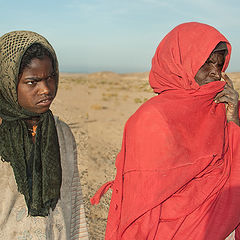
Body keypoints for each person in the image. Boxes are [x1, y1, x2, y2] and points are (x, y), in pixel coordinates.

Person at [91, 22, 240, 239]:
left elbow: (232, 177)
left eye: (219, 66)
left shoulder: (222, 111)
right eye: (206, 63)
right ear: (180, 62)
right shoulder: (152, 118)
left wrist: (234, 120)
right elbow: (142, 204)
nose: (215, 74)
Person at [0, 31, 89, 239]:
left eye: (51, 78)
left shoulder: (62, 133)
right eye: (33, 82)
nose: (46, 89)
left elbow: (74, 202)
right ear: (7, 83)